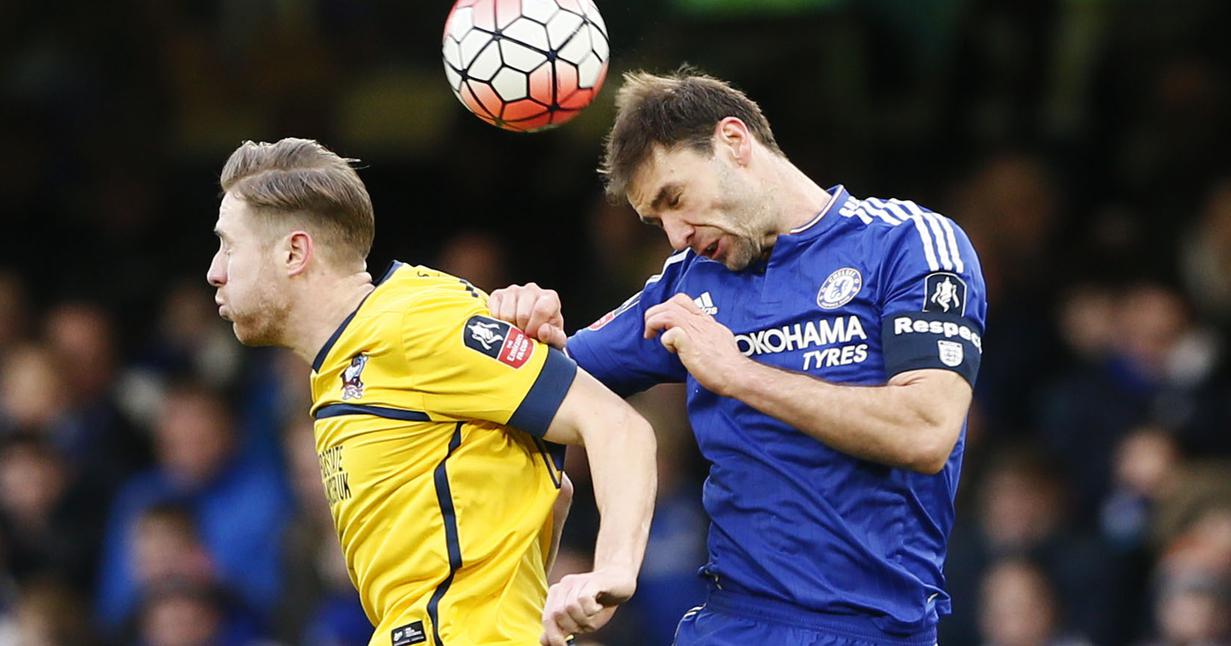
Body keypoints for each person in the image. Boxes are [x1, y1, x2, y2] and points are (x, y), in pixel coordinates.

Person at [489, 69, 988, 645]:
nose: (676, 235)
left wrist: (738, 374)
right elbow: (538, 384)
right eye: (657, 221)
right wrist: (521, 326)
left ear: (734, 141)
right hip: (732, 622)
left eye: (675, 199)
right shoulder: (687, 287)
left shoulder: (908, 243)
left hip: (873, 628)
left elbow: (926, 432)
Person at [205, 138, 657, 646]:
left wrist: (612, 568)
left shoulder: (413, 324)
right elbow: (551, 492)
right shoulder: (338, 364)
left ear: (294, 252)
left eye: (228, 246)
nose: (215, 271)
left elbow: (617, 425)